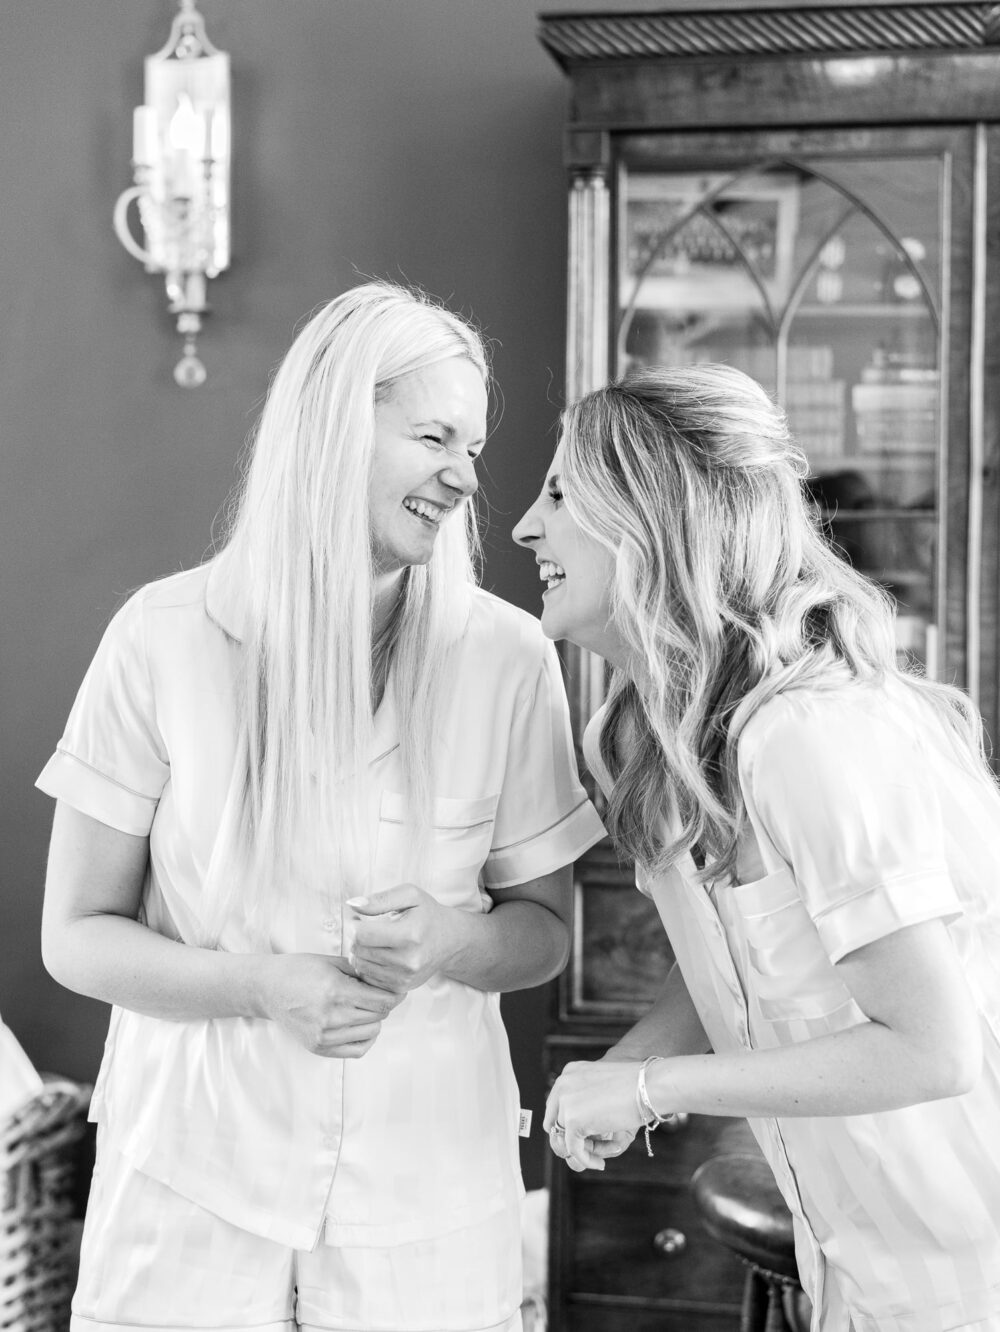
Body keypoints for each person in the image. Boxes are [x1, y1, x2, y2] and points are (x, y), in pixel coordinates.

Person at [37, 281, 605, 1332]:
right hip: (189, 1191)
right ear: (333, 422)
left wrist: (444, 941)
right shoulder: (162, 638)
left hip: (424, 1196)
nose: (465, 476)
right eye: (435, 435)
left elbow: (541, 935)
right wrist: (260, 984)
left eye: (474, 447)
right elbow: (75, 938)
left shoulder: (505, 658)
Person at [513, 364, 1000, 1332]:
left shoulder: (813, 735)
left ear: (650, 515)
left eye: (561, 492)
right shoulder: (634, 744)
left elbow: (929, 1049)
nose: (526, 526)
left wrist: (654, 1086)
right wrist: (624, 1070)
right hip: (853, 1263)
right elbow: (732, 968)